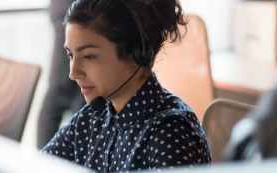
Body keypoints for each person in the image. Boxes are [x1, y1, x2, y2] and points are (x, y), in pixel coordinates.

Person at [41, 0, 211, 171]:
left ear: (135, 53)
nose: (73, 73)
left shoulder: (170, 134)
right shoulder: (88, 120)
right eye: (70, 55)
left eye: (88, 56)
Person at [37, 0, 86, 149]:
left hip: (96, 10)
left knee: (87, 94)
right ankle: (44, 162)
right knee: (59, 90)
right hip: (72, 10)